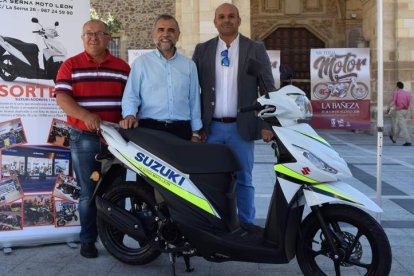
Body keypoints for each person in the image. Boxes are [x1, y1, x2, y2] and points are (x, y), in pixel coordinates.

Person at [192, 3, 275, 224]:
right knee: (211, 179)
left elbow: (267, 88)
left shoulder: (254, 48)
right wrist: (195, 126)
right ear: (215, 22)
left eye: (231, 16)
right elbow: (191, 90)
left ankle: (246, 225)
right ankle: (214, 224)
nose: (226, 20)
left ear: (239, 20)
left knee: (244, 179)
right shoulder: (202, 50)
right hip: (210, 129)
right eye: (221, 17)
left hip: (243, 128)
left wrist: (268, 124)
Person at [54, 19, 130, 258]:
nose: (93, 37)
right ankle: (88, 240)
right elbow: (62, 98)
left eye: (99, 33)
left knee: (118, 190)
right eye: (88, 33)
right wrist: (85, 114)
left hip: (116, 138)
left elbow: (132, 99)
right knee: (89, 192)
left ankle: (116, 240)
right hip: (84, 138)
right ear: (82, 37)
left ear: (108, 38)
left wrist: (130, 116)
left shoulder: (122, 67)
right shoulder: (70, 65)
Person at [120, 14, 202, 141]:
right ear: (153, 34)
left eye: (171, 30)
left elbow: (194, 100)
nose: (166, 34)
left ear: (178, 35)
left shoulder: (189, 65)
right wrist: (129, 115)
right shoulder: (141, 63)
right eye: (161, 30)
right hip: (150, 129)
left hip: (182, 130)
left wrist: (196, 132)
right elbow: (131, 96)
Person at [388, 81, 412, 146]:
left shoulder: (396, 93)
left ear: (397, 86)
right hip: (406, 111)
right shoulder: (407, 93)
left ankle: (408, 141)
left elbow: (393, 102)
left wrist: (388, 108)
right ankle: (394, 138)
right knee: (400, 125)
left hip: (400, 111)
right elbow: (410, 103)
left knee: (403, 126)